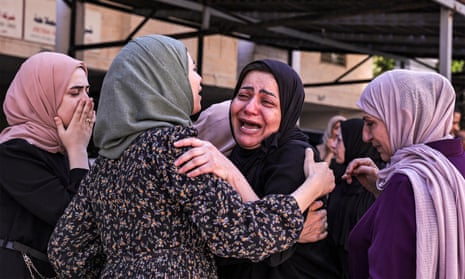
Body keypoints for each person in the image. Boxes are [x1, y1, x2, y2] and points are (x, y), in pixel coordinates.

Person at [47, 35, 335, 278]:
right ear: (165, 79)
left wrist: (124, 267)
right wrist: (312, 188)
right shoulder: (173, 145)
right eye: (192, 69)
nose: (199, 79)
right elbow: (239, 233)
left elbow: (64, 252)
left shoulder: (108, 163)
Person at [175, 59, 341, 278]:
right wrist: (295, 233)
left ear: (287, 110)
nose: (250, 108)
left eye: (267, 102)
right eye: (243, 96)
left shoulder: (295, 155)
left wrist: (229, 172)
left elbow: (268, 247)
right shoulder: (237, 153)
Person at [342, 69, 465, 278]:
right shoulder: (454, 166)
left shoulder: (406, 184)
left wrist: (394, 191)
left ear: (404, 118)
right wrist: (382, 192)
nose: (365, 136)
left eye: (371, 123)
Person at [0, 52, 95, 278]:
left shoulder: (62, 150)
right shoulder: (13, 154)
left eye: (87, 91)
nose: (87, 101)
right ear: (42, 96)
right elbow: (75, 219)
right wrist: (78, 151)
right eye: (74, 92)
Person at [326, 118, 385, 278]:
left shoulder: (373, 189)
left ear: (354, 142)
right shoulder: (341, 182)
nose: (333, 145)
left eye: (339, 140)